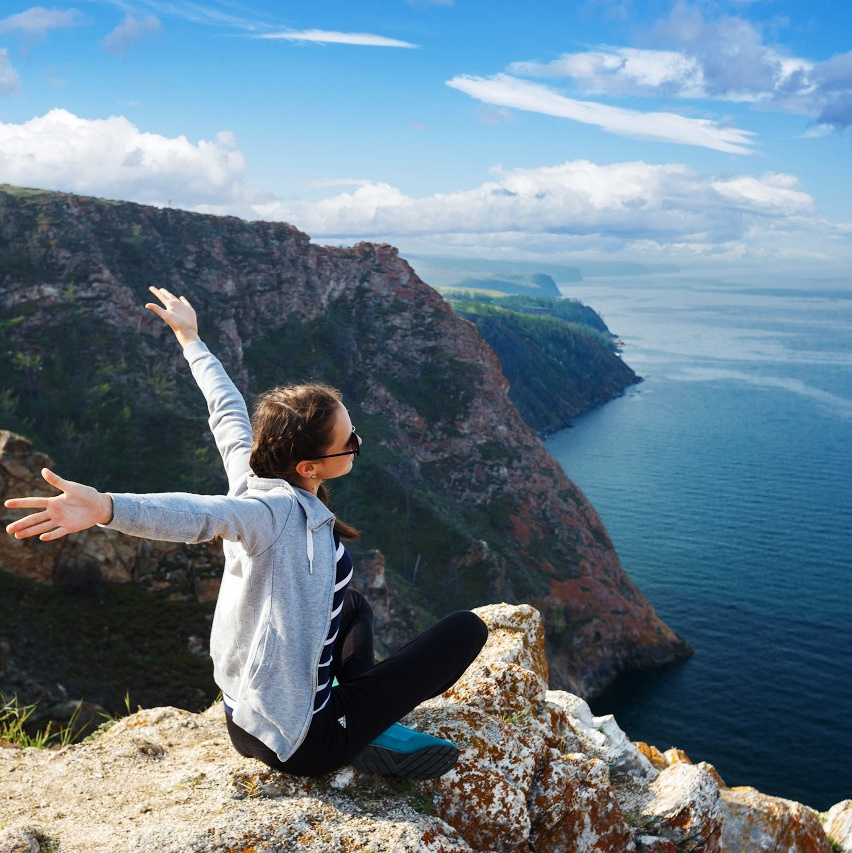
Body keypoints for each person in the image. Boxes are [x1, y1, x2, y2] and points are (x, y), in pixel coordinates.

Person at [4, 286, 488, 779]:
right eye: (350, 443)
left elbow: (227, 411)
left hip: (245, 718)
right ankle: (357, 726)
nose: (357, 444)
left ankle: (361, 716)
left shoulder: (253, 470)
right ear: (309, 466)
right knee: (466, 631)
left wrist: (191, 339)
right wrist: (108, 507)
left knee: (354, 605)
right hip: (302, 740)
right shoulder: (270, 512)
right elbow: (196, 515)